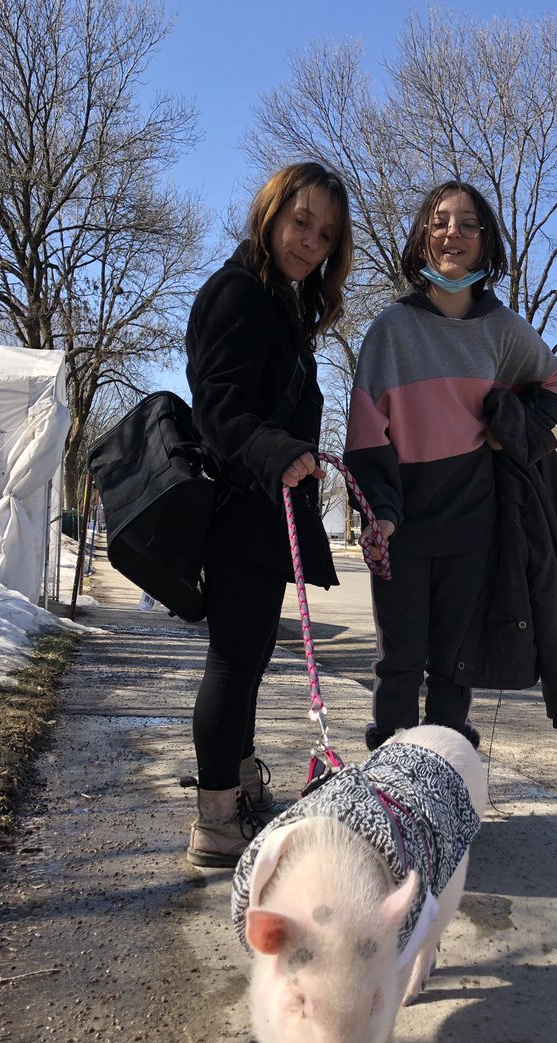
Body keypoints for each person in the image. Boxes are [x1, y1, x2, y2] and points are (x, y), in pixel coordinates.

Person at [344, 180, 557, 751]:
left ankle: (444, 775)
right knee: (399, 660)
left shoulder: (502, 330)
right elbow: (367, 436)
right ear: (423, 235)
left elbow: (556, 383)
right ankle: (388, 784)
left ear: (486, 242)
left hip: (474, 519)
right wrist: (381, 512)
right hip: (401, 522)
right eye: (441, 221)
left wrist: (511, 433)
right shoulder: (390, 329)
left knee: (453, 661)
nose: (453, 233)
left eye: (469, 224)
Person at [184, 161, 353, 868]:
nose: (308, 240)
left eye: (324, 233)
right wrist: (271, 448)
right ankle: (217, 817)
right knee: (232, 659)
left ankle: (240, 784)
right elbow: (217, 402)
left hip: (263, 512)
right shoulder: (236, 292)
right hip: (239, 509)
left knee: (248, 658)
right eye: (299, 220)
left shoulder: (280, 304)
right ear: (271, 211)